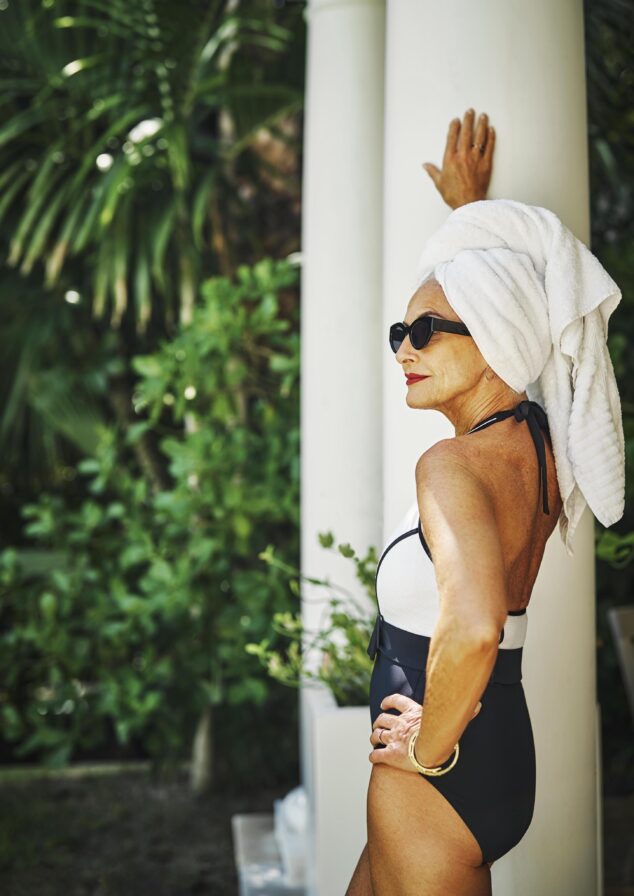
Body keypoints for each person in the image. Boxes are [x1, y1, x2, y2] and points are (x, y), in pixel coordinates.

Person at [345, 108, 564, 895]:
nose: (406, 345)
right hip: (490, 746)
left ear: (498, 333)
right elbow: (520, 316)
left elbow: (473, 627)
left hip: (437, 768)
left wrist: (430, 751)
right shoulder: (539, 446)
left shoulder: (450, 465)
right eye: (401, 328)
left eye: (429, 329)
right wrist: (469, 215)